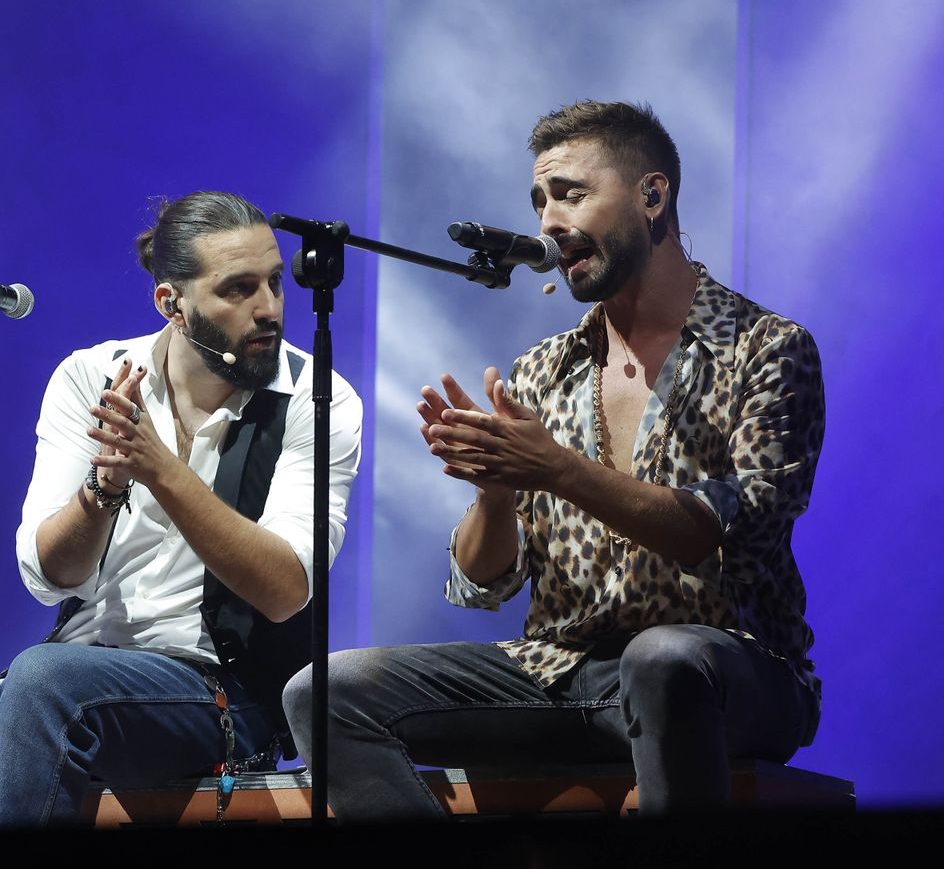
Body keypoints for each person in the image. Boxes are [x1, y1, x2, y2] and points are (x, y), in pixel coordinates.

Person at [287, 101, 824, 819]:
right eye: (539, 200)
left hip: (728, 670)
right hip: (564, 673)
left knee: (661, 658)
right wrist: (497, 494)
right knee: (324, 692)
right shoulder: (543, 371)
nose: (546, 222)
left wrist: (554, 468)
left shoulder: (765, 349)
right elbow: (482, 585)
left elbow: (724, 532)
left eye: (570, 193)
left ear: (652, 195)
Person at [0, 191, 362, 831]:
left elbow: (286, 590)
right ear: (170, 303)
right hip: (69, 684)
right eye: (238, 289)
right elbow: (49, 576)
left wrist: (161, 469)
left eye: (275, 283)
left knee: (46, 679)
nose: (269, 309)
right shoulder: (91, 376)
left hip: (217, 695)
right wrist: (103, 489)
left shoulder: (317, 398)